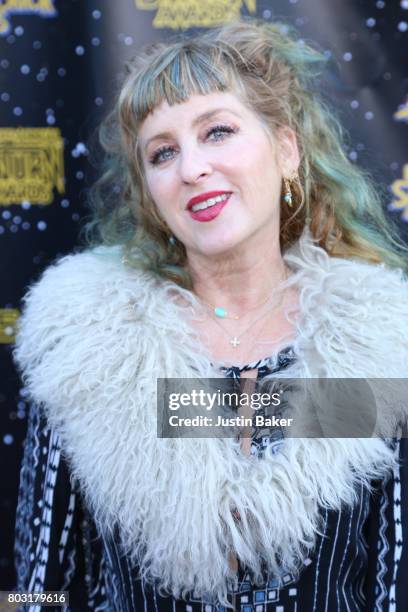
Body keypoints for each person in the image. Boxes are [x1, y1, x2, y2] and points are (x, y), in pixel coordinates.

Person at [13, 19, 408, 612]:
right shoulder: (87, 348)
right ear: (150, 190)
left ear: (285, 150)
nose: (191, 167)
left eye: (217, 131)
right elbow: (34, 587)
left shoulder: (379, 341)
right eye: (163, 152)